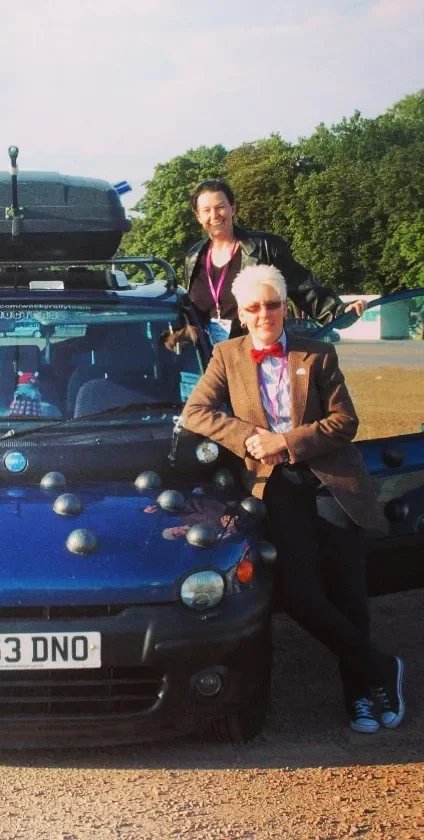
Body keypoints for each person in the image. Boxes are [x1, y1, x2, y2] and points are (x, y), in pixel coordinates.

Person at [182, 264, 404, 734]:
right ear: (239, 312)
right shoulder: (226, 355)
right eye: (254, 307)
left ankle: (361, 695)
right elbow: (196, 412)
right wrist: (248, 437)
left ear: (287, 306)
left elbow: (346, 423)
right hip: (277, 487)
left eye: (273, 304)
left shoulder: (318, 353)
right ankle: (381, 666)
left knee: (349, 596)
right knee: (301, 595)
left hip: (331, 482)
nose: (265, 314)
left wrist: (286, 441)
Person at [185, 177, 365, 343]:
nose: (214, 215)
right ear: (198, 216)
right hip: (209, 359)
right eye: (206, 210)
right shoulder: (193, 257)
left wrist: (339, 312)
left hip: (254, 352)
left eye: (220, 207)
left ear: (233, 208)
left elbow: (304, 288)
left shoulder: (265, 248)